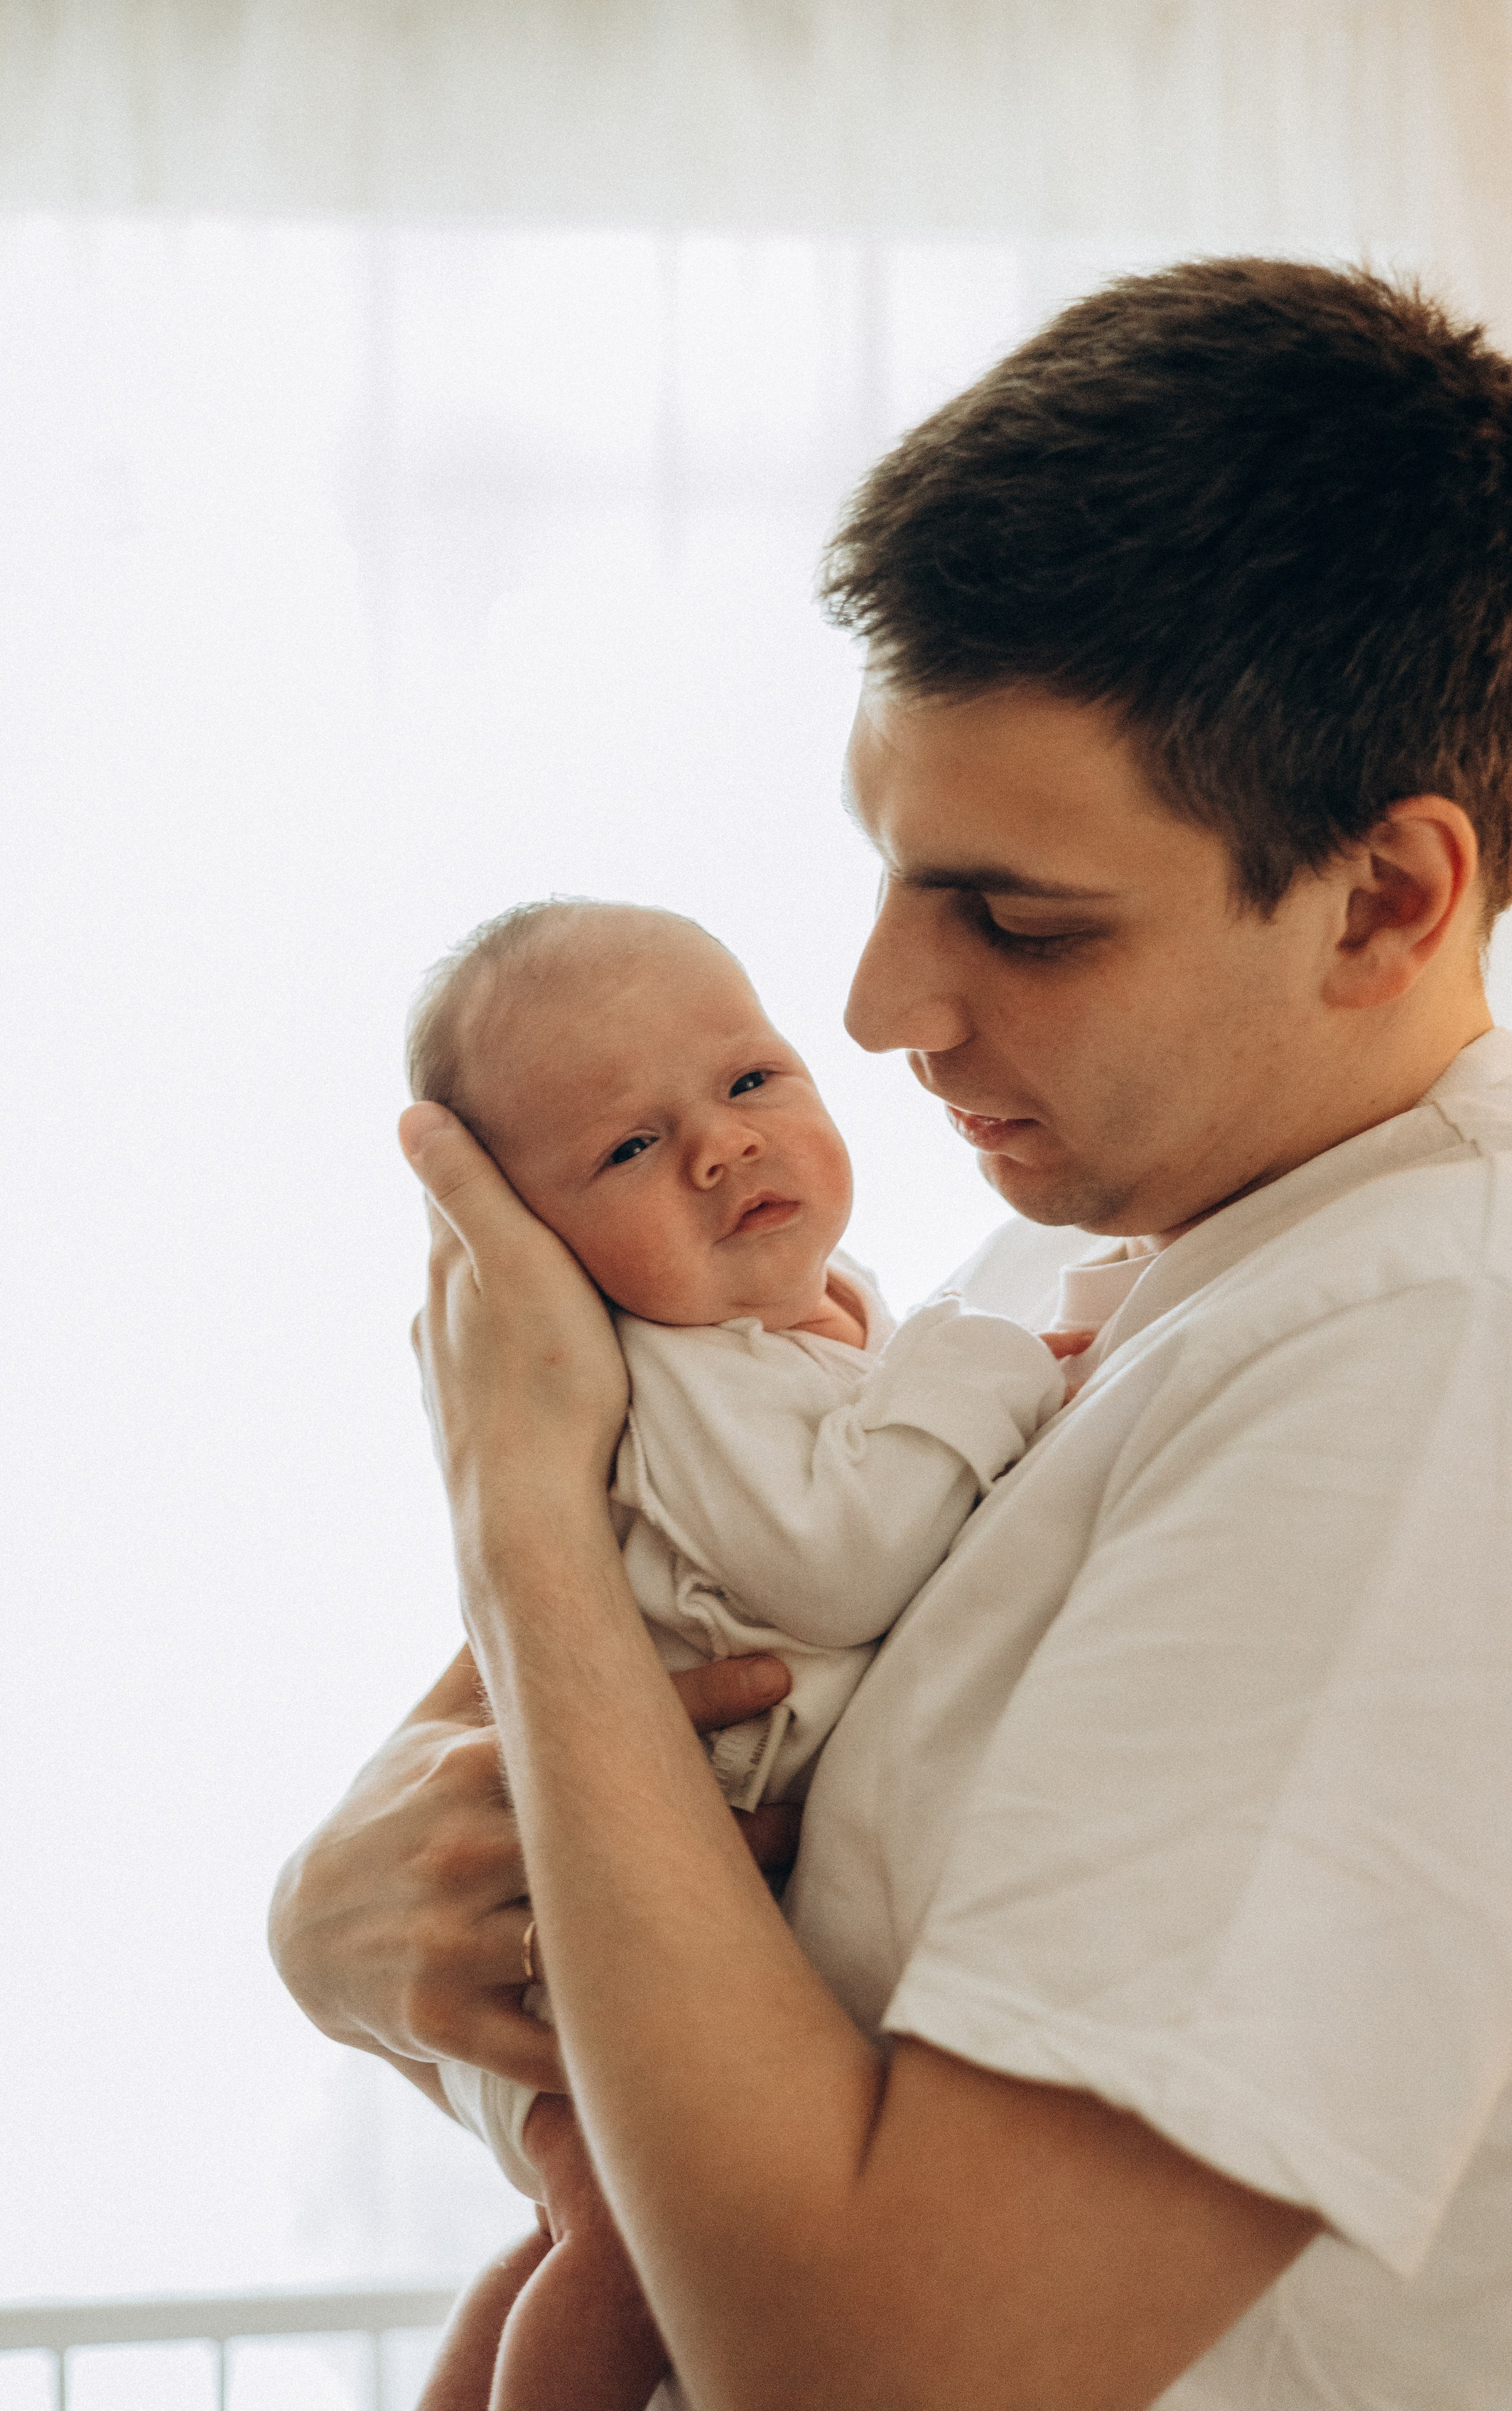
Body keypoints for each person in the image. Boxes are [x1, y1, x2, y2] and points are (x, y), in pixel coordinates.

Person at [270, 259, 1512, 2408]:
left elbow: (884, 2370)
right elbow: (624, 1773)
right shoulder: (1059, 1281)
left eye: (1020, 920)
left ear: (1389, 901)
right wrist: (335, 1919)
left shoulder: (1423, 1366)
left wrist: (517, 1507)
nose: (874, 1011)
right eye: (890, 866)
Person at [401, 895, 1070, 2408]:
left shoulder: (829, 1320)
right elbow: (835, 1563)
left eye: (750, 1080)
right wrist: (995, 1370)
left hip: (666, 1916)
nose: (719, 1145)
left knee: (571, 2240)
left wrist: (961, 1376)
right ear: (534, 1252)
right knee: (621, 2252)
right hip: (606, 1926)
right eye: (628, 1149)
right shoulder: (676, 1375)